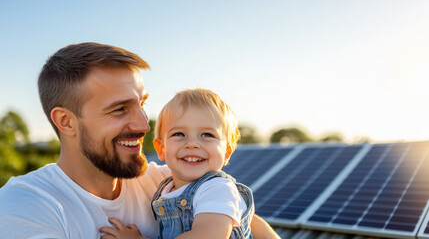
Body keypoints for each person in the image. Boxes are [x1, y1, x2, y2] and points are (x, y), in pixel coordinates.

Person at [0, 42, 280, 239]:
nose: (144, 124)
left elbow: (244, 219)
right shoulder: (26, 206)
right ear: (66, 121)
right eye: (120, 109)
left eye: (142, 104)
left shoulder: (169, 182)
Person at [101, 88, 254, 239]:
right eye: (179, 134)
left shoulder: (217, 189)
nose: (192, 144)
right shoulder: (165, 189)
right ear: (161, 149)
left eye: (207, 134)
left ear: (227, 152)